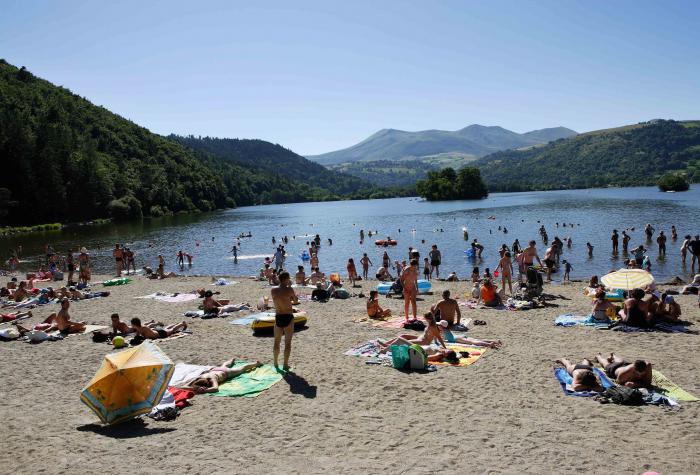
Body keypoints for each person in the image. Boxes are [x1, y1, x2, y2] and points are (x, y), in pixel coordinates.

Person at [377, 312, 446, 352]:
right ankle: (386, 344)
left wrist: (445, 348)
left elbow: (439, 337)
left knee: (400, 341)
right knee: (403, 335)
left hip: (423, 342)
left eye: (425, 318)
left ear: (428, 319)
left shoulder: (433, 327)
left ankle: (385, 350)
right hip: (420, 338)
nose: (424, 320)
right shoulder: (431, 323)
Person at [271, 271, 297, 370]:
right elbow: (295, 301)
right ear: (286, 279)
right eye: (288, 278)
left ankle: (275, 363)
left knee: (276, 342)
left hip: (278, 317)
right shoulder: (289, 289)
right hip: (288, 316)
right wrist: (290, 289)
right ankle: (285, 365)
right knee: (287, 343)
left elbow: (278, 298)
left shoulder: (273, 290)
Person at [189, 359, 263, 394]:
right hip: (216, 370)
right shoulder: (199, 377)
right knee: (224, 365)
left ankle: (256, 364)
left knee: (242, 369)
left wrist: (205, 390)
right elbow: (186, 386)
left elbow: (215, 388)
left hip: (226, 372)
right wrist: (195, 388)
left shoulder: (212, 379)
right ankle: (231, 360)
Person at [437, 320, 502, 348]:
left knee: (474, 342)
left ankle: (489, 344)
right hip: (458, 336)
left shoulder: (442, 330)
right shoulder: (446, 329)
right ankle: (494, 341)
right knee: (476, 339)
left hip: (456, 338)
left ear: (442, 326)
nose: (438, 326)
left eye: (439, 325)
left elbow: (441, 338)